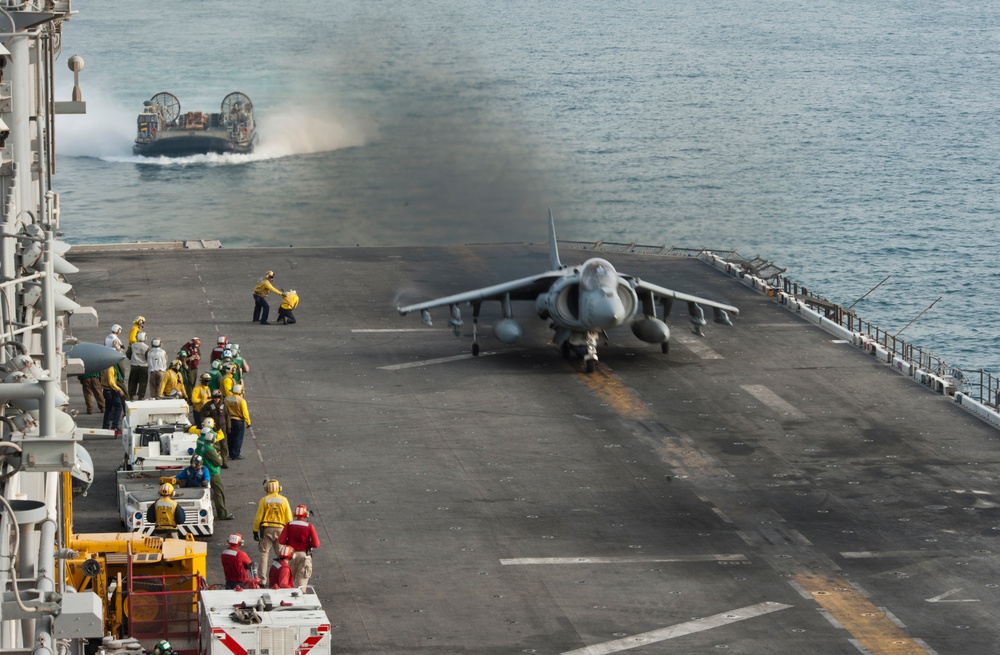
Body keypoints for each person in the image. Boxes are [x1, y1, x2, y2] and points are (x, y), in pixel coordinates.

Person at [253, 479, 292, 575]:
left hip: (266, 529)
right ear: (279, 488)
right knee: (282, 555)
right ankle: (284, 576)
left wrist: (255, 530)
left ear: (267, 489)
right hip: (280, 529)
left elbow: (258, 517)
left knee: (264, 554)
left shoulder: (264, 500)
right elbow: (289, 518)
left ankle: (262, 579)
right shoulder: (284, 500)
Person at [195, 425, 234, 520]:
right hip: (213, 473)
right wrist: (219, 456)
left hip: (207, 471)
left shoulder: (203, 445)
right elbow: (219, 462)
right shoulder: (210, 450)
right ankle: (223, 513)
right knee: (218, 493)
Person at [278, 504, 320, 588]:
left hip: (290, 555)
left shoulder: (289, 525)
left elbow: (281, 540)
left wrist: (289, 542)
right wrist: (308, 544)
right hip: (304, 555)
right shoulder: (310, 527)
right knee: (302, 583)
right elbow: (316, 544)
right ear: (306, 514)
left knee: (288, 581)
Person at [200, 390, 229, 466]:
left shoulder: (223, 404)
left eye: (218, 397)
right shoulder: (209, 404)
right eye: (215, 397)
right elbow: (201, 412)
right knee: (215, 445)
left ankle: (224, 461)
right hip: (213, 428)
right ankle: (216, 461)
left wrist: (228, 427)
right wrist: (208, 413)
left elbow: (227, 416)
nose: (217, 399)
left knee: (224, 445)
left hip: (222, 427)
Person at [224, 383, 251, 460]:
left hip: (228, 420)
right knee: (238, 438)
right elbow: (245, 413)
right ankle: (235, 454)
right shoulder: (241, 401)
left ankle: (231, 452)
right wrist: (248, 422)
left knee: (230, 437)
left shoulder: (227, 398)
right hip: (238, 421)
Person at [101, 361, 126, 433]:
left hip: (106, 390)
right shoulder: (110, 369)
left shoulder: (104, 368)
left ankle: (105, 426)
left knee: (108, 409)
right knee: (118, 407)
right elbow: (111, 382)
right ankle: (115, 425)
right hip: (111, 391)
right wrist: (119, 389)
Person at [126, 332, 150, 400]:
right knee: (143, 382)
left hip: (134, 366)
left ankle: (131, 395)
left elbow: (128, 354)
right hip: (144, 366)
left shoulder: (133, 346)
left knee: (133, 381)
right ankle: (141, 396)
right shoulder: (147, 347)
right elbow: (148, 357)